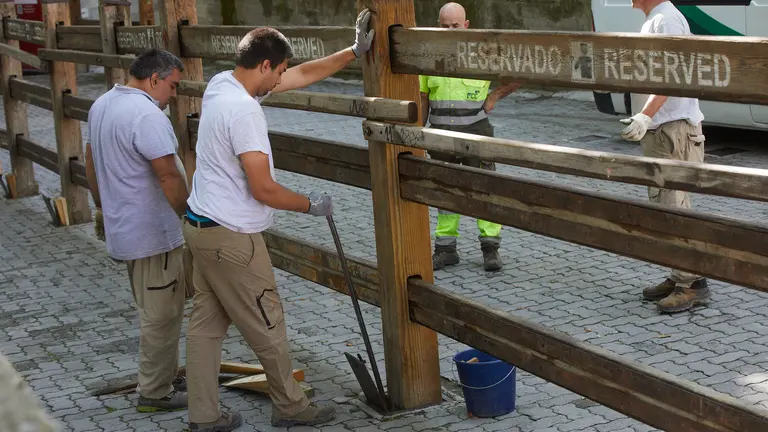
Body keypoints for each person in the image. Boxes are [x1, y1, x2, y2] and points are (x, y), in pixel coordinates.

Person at [182, 9, 375, 431]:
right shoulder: (245, 113)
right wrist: (311, 204)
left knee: (206, 326)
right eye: (279, 70)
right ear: (265, 65)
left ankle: (204, 416)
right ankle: (290, 407)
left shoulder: (222, 85)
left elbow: (301, 76)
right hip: (232, 237)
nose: (281, 79)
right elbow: (263, 189)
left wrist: (353, 52)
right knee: (268, 321)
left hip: (199, 226)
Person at [85, 49, 190, 412]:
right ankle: (155, 392)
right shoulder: (145, 114)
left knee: (157, 308)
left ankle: (165, 375)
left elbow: (90, 160)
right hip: (152, 234)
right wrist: (190, 217)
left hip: (127, 229)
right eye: (173, 86)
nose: (173, 95)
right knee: (161, 315)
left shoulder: (102, 104)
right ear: (155, 79)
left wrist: (102, 206)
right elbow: (168, 175)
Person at [620, 0, 709, 314]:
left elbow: (670, 77)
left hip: (674, 131)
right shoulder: (657, 19)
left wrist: (645, 116)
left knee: (675, 208)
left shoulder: (665, 20)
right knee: (668, 206)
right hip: (664, 130)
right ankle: (682, 276)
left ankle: (690, 285)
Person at [420, 2, 521, 272]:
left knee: (484, 189)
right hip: (440, 137)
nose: (450, 31)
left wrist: (495, 96)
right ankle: (446, 250)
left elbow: (519, 71)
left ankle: (490, 249)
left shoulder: (482, 54)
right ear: (437, 26)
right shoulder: (428, 56)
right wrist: (417, 135)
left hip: (476, 132)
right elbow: (423, 98)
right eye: (444, 27)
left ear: (466, 25)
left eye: (455, 26)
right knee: (444, 192)